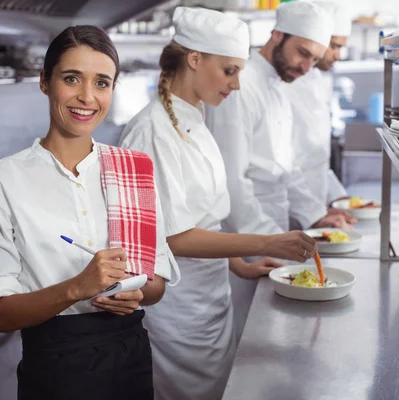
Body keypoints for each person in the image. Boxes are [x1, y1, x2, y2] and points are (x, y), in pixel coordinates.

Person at [118, 7, 317, 400]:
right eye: (229, 71)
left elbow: (202, 218)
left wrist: (238, 265)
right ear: (194, 59)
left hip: (210, 301)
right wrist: (263, 242)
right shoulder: (152, 132)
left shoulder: (194, 119)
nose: (237, 85)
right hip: (176, 310)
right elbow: (173, 238)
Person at [0, 25, 176, 400]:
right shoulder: (1, 181)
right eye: (71, 79)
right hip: (55, 367)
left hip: (130, 356)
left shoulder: (134, 169)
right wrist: (78, 287)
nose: (86, 97)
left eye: (101, 83)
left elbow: (156, 283)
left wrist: (138, 293)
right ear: (44, 81)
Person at [205, 0, 355, 237]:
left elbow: (286, 168)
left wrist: (315, 215)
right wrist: (269, 241)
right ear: (277, 35)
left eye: (315, 60)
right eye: (303, 53)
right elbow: (232, 181)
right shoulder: (240, 86)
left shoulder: (279, 86)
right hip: (244, 234)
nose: (306, 67)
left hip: (273, 224)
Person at [283, 1, 353, 206]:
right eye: (334, 46)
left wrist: (336, 194)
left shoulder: (318, 79)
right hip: (291, 204)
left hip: (315, 201)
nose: (337, 55)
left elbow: (315, 156)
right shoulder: (287, 81)